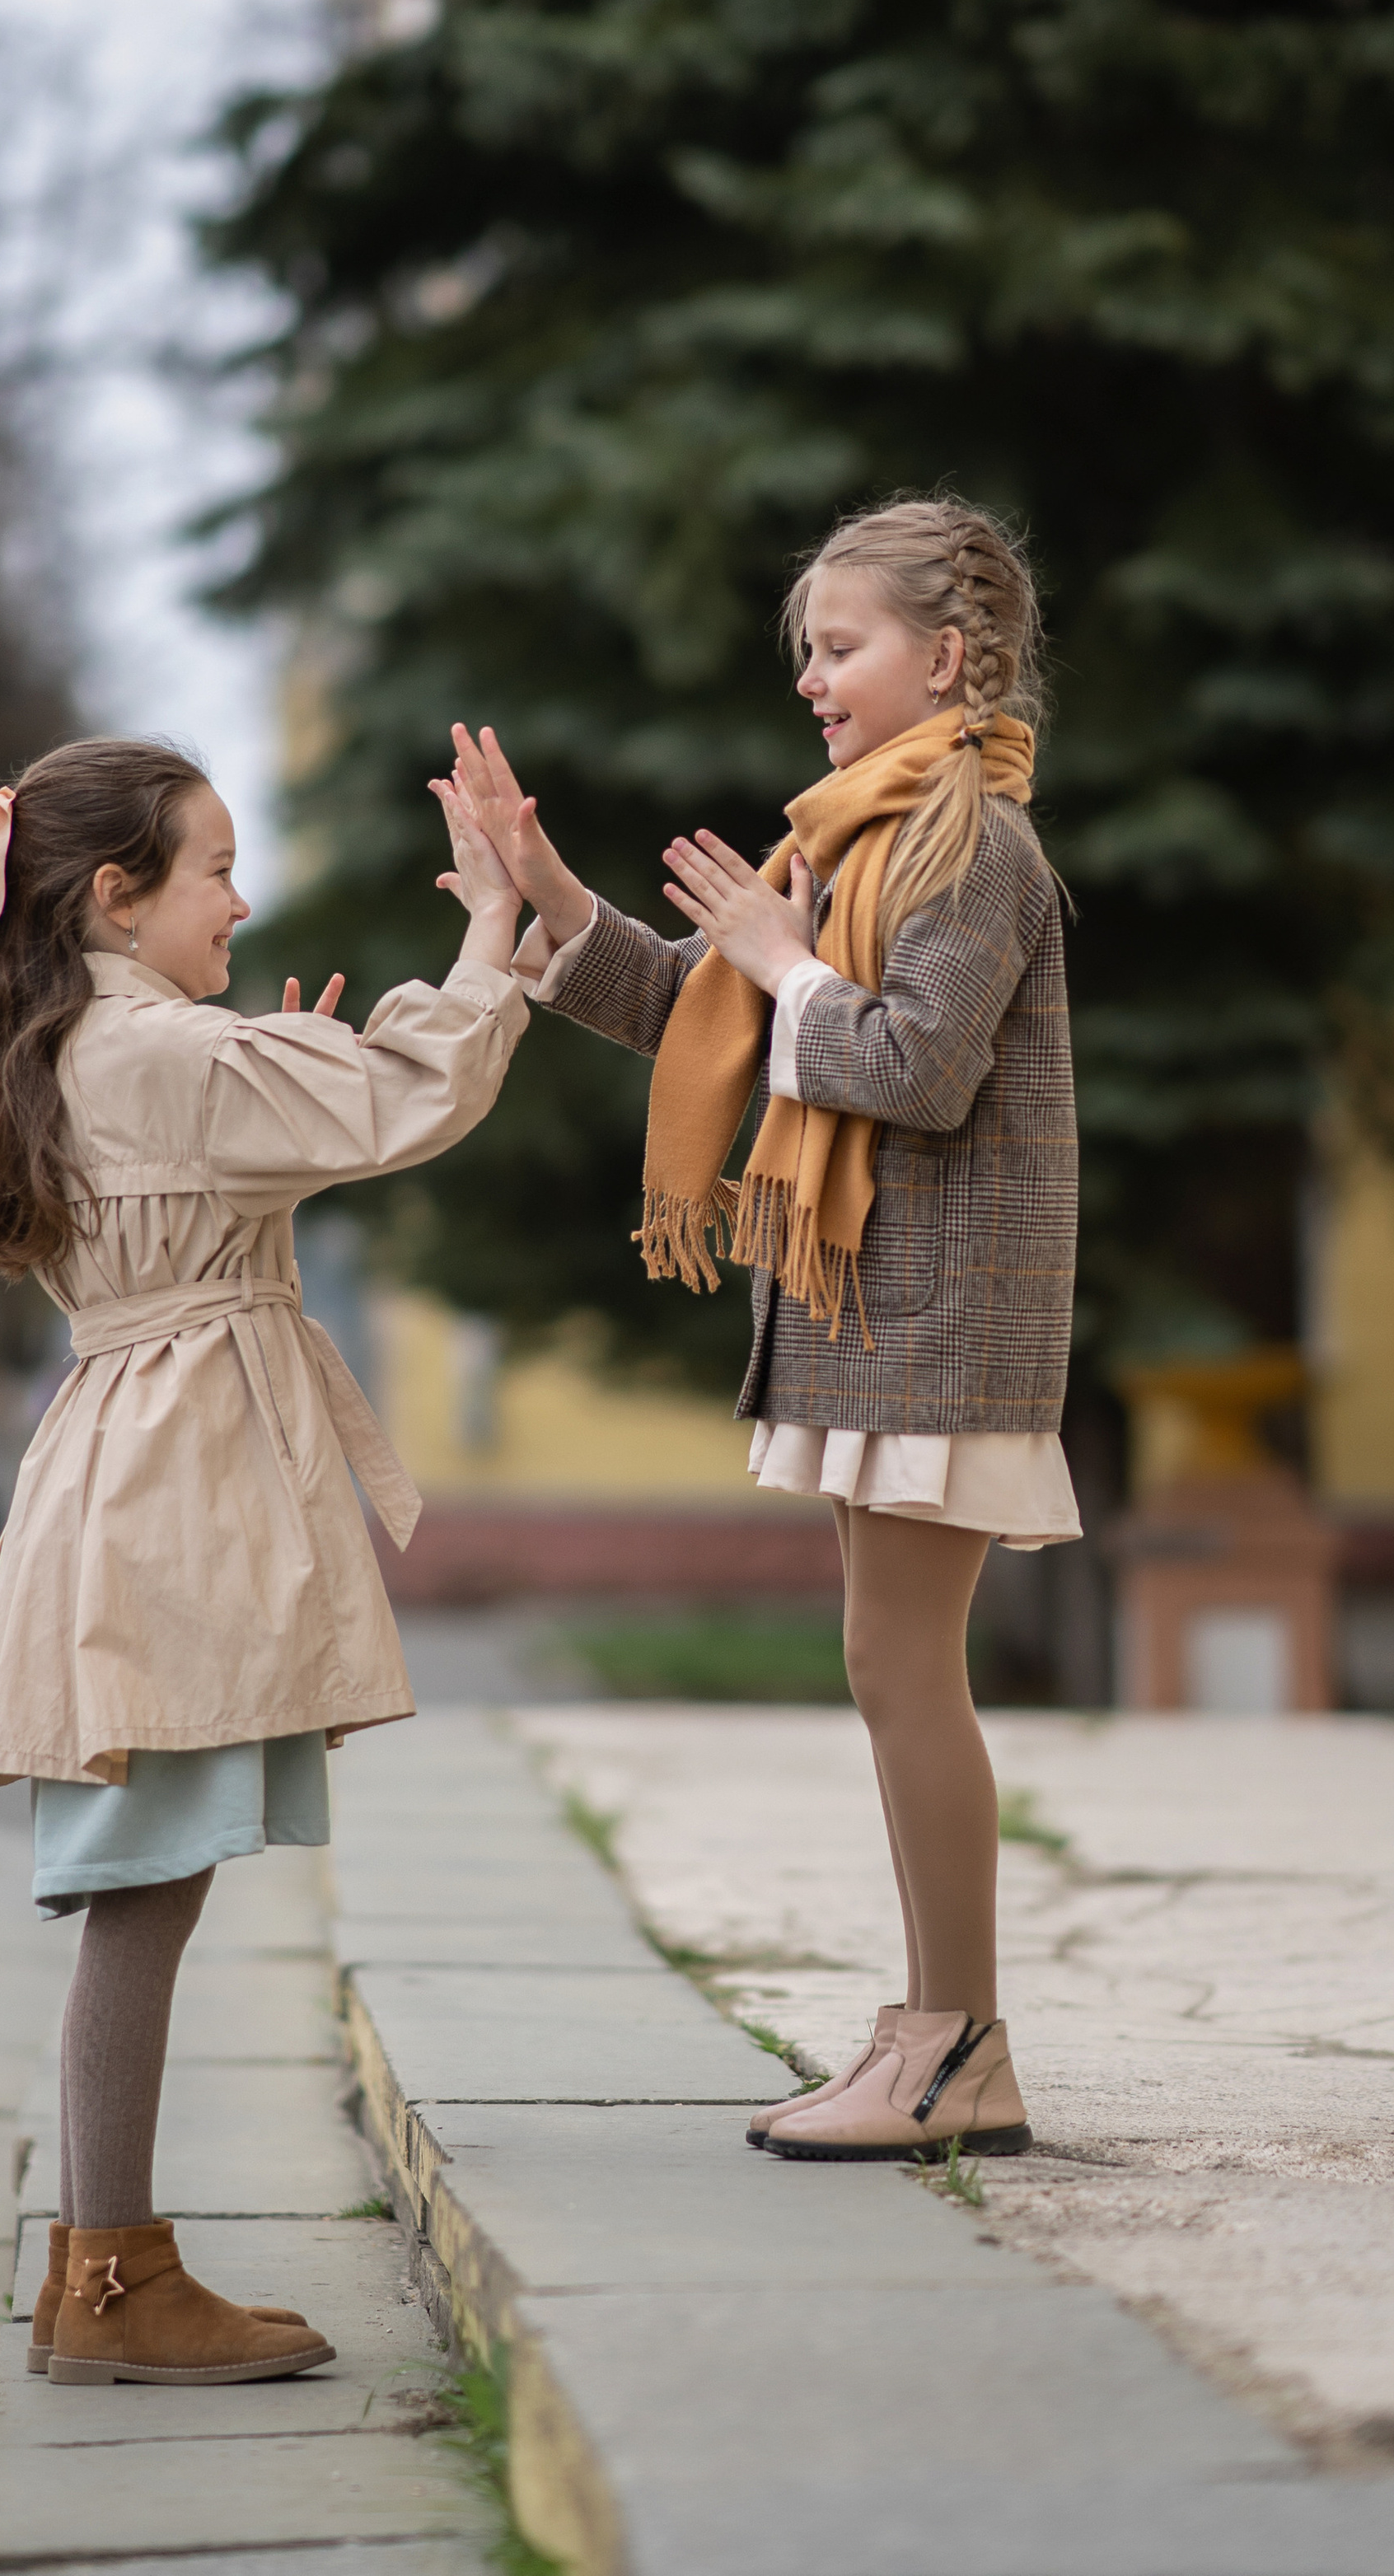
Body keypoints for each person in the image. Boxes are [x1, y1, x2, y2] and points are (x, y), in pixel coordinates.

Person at [0, 736, 526, 2382]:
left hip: (130, 1468)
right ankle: (106, 2289)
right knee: (140, 1883)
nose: (240, 897)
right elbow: (408, 1095)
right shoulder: (153, 1047)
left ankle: (106, 2274)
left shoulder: (100, 1038)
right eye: (213, 869)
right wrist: (492, 933)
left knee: (145, 1877)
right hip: (165, 1490)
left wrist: (265, 1056)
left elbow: (267, 1130)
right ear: (116, 894)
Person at [440, 497, 1078, 2163]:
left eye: (839, 646)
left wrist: (785, 963)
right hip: (876, 1310)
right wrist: (557, 900)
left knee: (898, 1669)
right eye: (804, 650)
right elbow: (702, 1017)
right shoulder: (844, 846)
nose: (811, 679)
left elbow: (903, 1069)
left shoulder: (968, 850)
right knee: (887, 1668)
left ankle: (956, 2044)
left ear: (944, 658)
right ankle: (934, 2028)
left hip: (942, 1317)